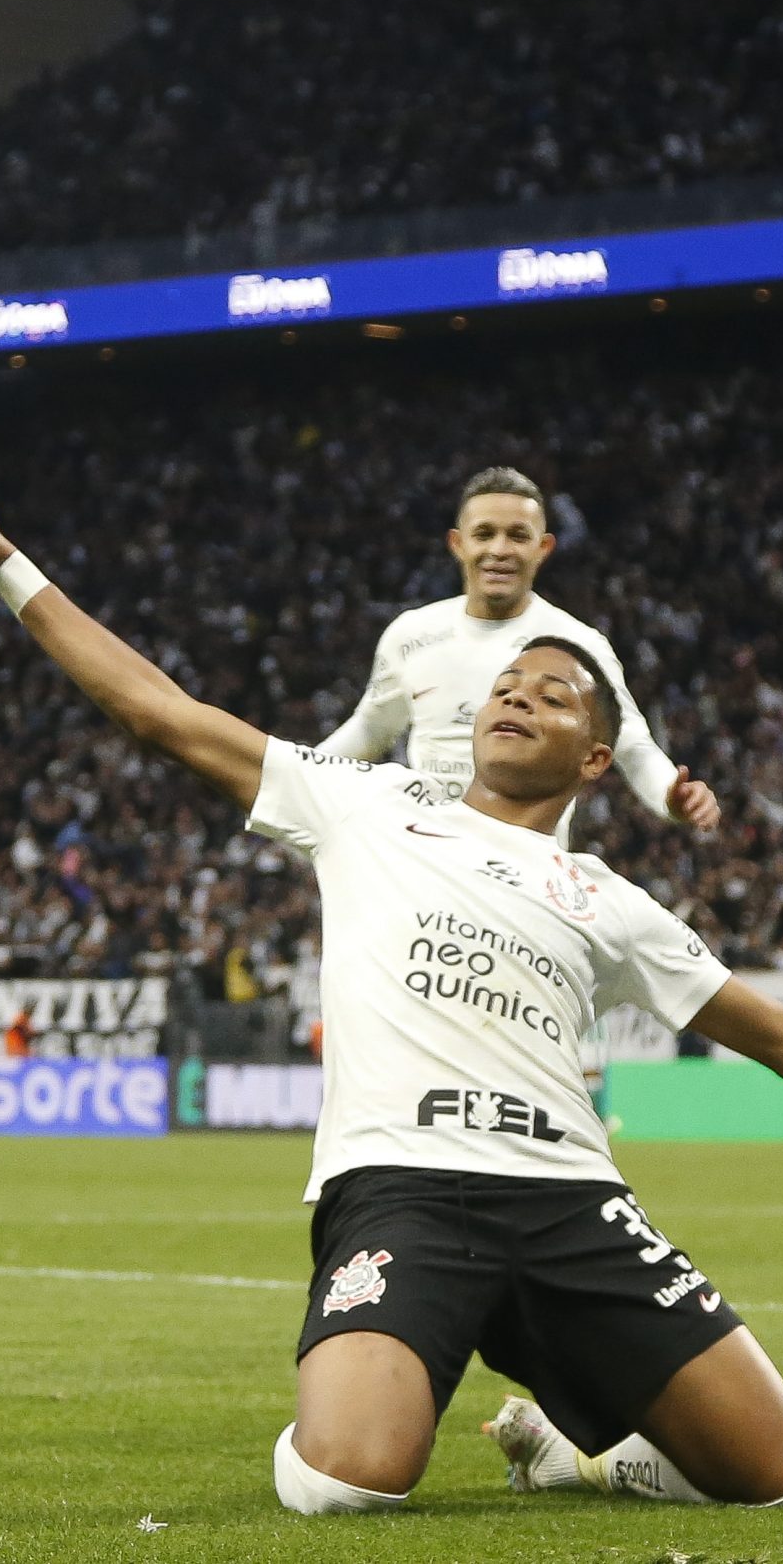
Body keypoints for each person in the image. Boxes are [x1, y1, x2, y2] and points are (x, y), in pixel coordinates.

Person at [0, 453, 783, 1516]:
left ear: (592, 755)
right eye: (506, 684)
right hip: (403, 1190)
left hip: (569, 1200)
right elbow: (162, 710)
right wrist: (6, 565)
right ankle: (391, 1353)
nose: (517, 692)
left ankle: (573, 1457)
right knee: (352, 1480)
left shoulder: (607, 900)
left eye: (554, 691)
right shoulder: (363, 801)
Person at [320, 466, 721, 1129]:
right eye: (484, 533)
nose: (498, 547)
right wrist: (275, 766)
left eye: (516, 534)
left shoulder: (576, 645)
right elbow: (368, 728)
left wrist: (669, 796)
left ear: (544, 548)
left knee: (501, 1057)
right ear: (457, 544)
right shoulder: (412, 636)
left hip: (519, 881)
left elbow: (633, 745)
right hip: (419, 876)